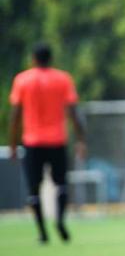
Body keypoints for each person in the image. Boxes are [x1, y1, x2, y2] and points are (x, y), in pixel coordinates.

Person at [8, 43, 87, 244]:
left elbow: (15, 115)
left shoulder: (22, 80)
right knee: (61, 184)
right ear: (51, 58)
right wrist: (80, 140)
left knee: (34, 189)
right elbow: (73, 113)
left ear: (33, 59)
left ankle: (42, 232)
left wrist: (13, 143)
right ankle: (60, 220)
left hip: (32, 142)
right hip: (57, 140)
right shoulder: (62, 79)